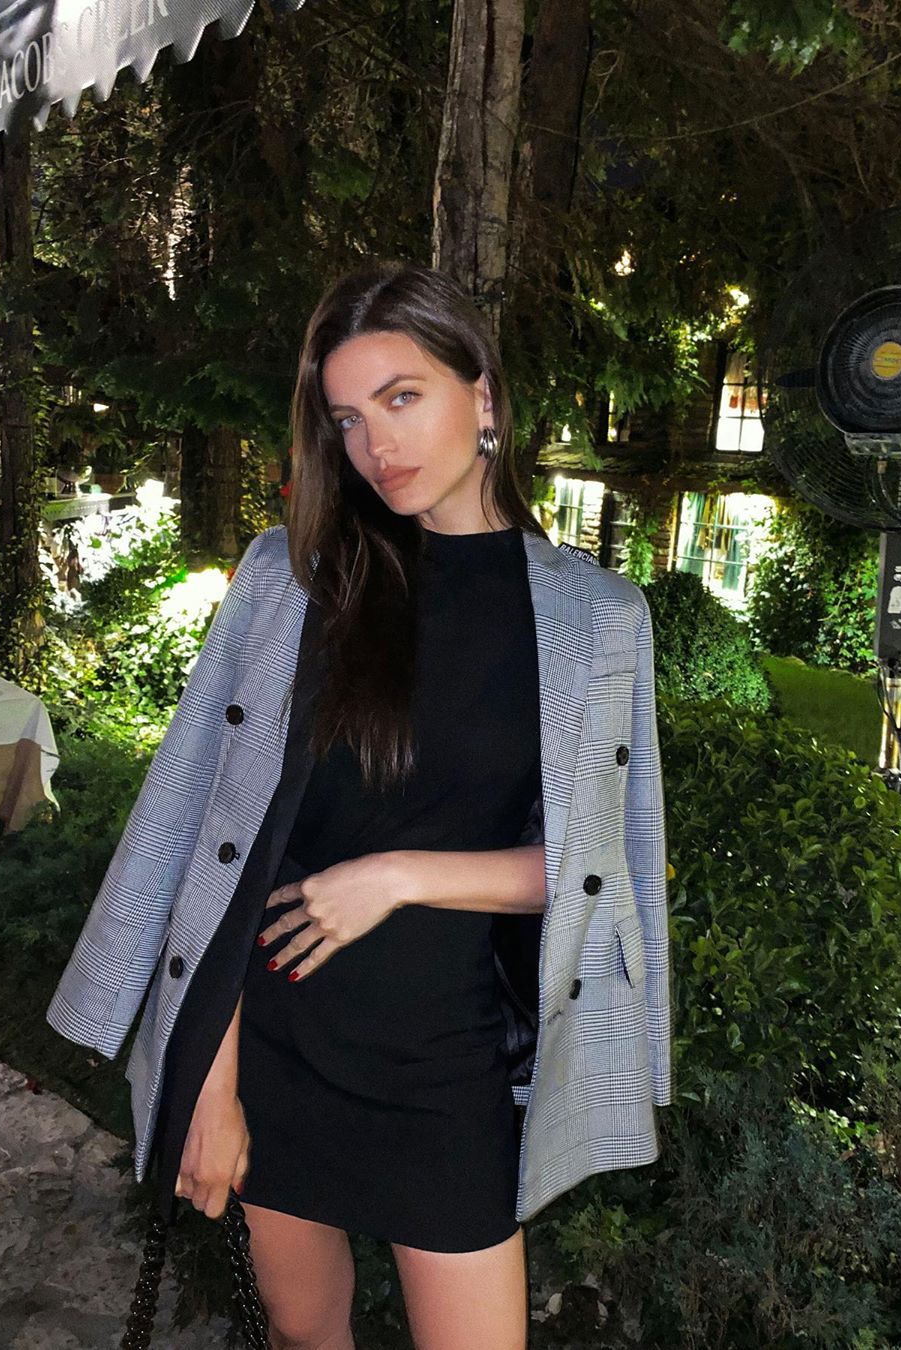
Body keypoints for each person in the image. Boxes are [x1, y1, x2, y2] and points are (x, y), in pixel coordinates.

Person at [47, 260, 672, 1350]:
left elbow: (601, 871)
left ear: (483, 396)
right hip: (274, 1043)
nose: (376, 444)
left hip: (447, 1065)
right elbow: (217, 849)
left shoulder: (597, 617)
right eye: (347, 418)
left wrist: (396, 878)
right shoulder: (291, 583)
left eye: (402, 397)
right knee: (304, 1334)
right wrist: (209, 1084)